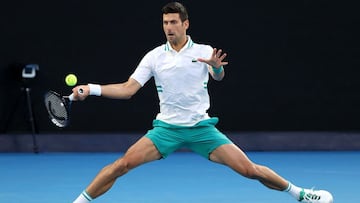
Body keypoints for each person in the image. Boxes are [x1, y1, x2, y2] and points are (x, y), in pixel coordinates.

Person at [72, 2, 333, 203]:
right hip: (167, 130)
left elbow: (218, 77)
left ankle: (301, 194)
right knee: (122, 165)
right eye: (165, 22)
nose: (168, 27)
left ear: (186, 24)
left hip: (201, 129)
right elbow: (128, 89)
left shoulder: (204, 52)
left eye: (174, 22)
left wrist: (217, 69)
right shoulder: (153, 57)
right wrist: (92, 89)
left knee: (249, 170)